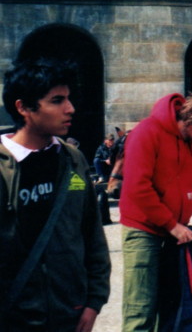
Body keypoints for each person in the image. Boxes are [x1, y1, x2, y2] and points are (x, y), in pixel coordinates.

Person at [0, 58, 111, 332]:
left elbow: (91, 233)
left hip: (67, 314)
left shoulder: (73, 161)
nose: (70, 109)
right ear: (23, 107)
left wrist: (94, 301)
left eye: (69, 99)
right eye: (57, 100)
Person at [120, 91, 192, 331]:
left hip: (174, 232)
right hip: (143, 231)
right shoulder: (146, 133)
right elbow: (138, 187)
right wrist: (172, 225)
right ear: (190, 122)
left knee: (171, 308)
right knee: (140, 310)